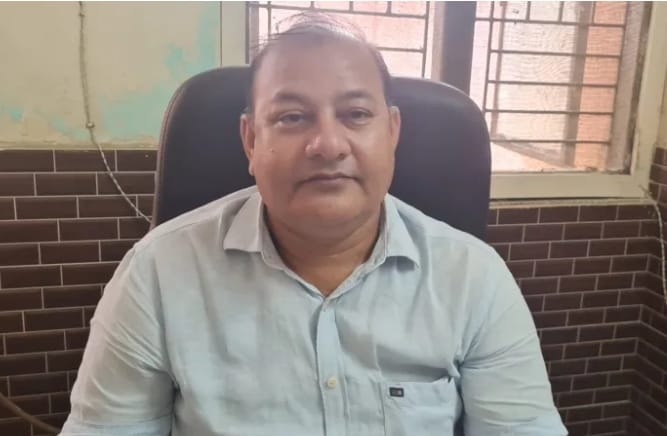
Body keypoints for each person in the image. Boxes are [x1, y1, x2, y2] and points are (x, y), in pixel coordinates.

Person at [61, 13, 567, 436]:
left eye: (356, 114)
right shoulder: (157, 274)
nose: (327, 144)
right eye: (292, 117)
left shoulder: (473, 277)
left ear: (392, 133)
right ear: (251, 141)